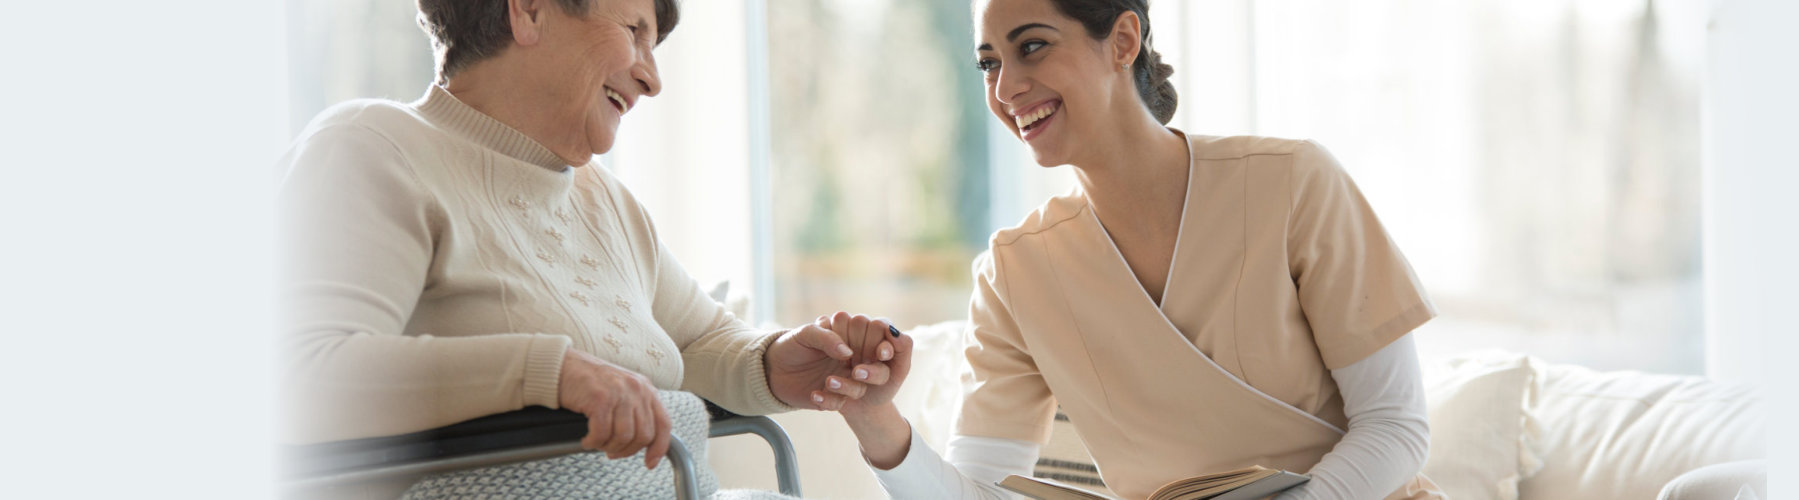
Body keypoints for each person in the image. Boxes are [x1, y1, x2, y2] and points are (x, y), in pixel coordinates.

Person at [276, 0, 908, 496]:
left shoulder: (605, 201)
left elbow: (698, 346)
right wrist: (553, 374)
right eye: (634, 30)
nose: (652, 78)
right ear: (528, 9)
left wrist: (774, 364)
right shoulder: (372, 148)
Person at [826, 0, 1446, 498]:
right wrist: (876, 422)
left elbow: (1395, 425)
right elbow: (980, 491)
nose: (1006, 86)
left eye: (1032, 46)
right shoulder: (1016, 271)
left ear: (1123, 41)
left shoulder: (1292, 182)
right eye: (988, 63)